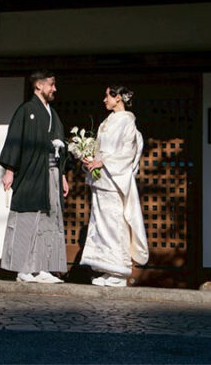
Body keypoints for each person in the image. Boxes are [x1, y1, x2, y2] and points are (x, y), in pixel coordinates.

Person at [0, 70, 69, 283]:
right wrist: (10, 169)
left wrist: (63, 173)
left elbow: (60, 143)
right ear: (39, 85)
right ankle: (23, 269)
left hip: (51, 173)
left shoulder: (52, 114)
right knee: (27, 217)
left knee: (49, 218)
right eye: (51, 84)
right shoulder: (26, 110)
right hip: (31, 171)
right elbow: (15, 139)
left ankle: (44, 268)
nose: (54, 89)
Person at [80, 85, 149, 287]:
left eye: (107, 95)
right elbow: (99, 149)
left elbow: (128, 152)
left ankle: (119, 270)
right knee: (100, 225)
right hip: (101, 179)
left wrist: (104, 162)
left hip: (114, 180)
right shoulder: (105, 122)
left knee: (115, 224)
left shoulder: (128, 122)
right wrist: (91, 158)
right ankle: (106, 268)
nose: (104, 100)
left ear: (118, 98)